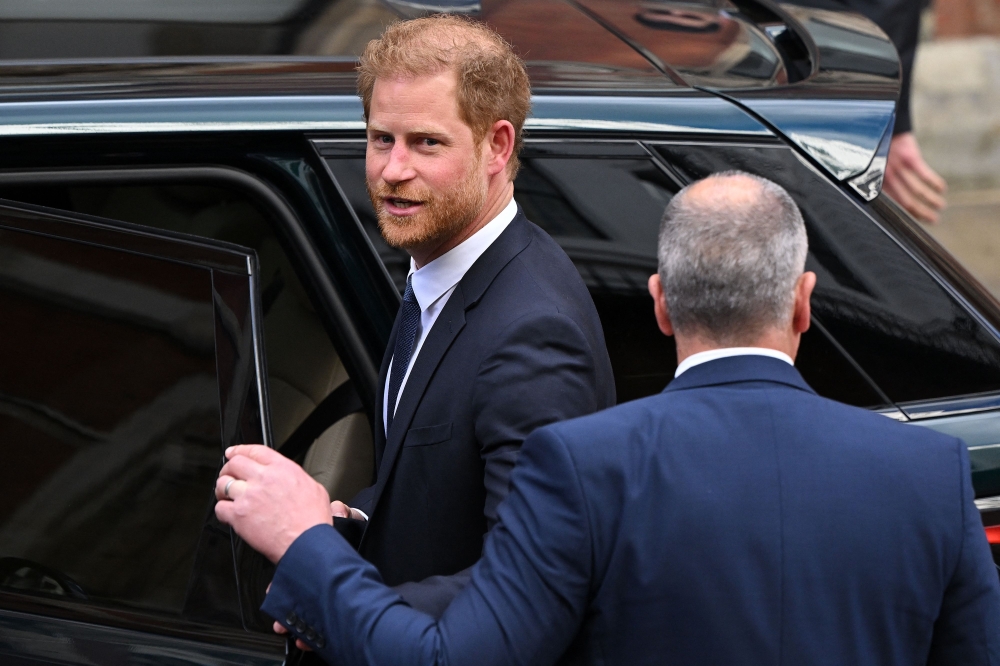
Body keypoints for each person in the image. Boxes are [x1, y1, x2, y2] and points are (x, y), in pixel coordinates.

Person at [216, 171, 1000, 665]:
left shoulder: (585, 467)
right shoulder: (929, 474)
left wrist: (307, 543)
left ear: (658, 305)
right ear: (803, 303)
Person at [293, 14, 615, 620]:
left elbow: (533, 578)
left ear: (497, 146)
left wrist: (338, 604)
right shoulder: (434, 270)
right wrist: (354, 520)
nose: (392, 170)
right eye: (381, 138)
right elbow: (434, 487)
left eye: (426, 143)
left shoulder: (532, 334)